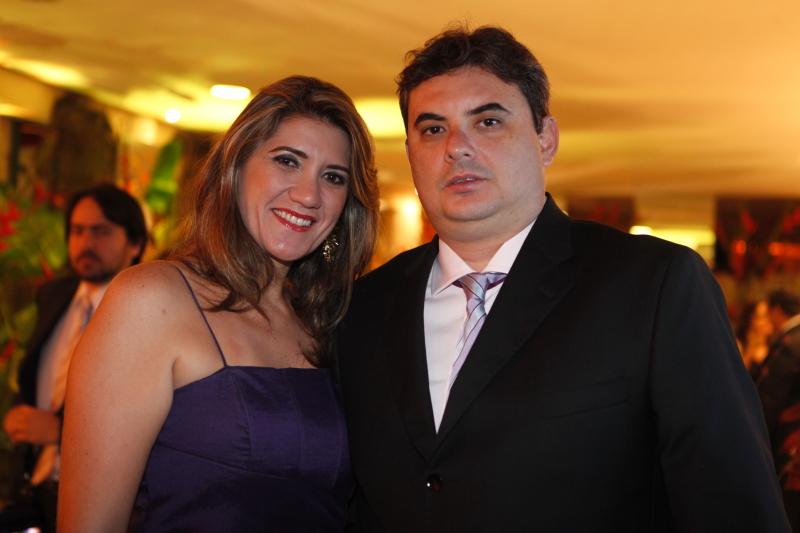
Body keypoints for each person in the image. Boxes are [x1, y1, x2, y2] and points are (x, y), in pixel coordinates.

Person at [338, 26, 789, 532]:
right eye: (433, 129)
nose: (457, 147)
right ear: (411, 153)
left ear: (545, 139)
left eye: (488, 121)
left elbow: (733, 506)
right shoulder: (362, 309)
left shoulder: (653, 286)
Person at [57, 76, 378, 532]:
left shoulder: (330, 321)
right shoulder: (152, 300)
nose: (309, 195)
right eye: (287, 161)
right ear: (236, 168)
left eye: (333, 177)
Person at [1, 183, 146, 533]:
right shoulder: (55, 295)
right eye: (78, 231)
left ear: (135, 244)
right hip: (37, 490)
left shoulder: (147, 314)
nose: (86, 243)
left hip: (105, 503)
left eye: (101, 231)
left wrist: (61, 431)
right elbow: (36, 373)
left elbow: (147, 417)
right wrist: (21, 415)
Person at [756, 289, 800, 530]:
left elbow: (771, 399)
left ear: (776, 311)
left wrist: (758, 439)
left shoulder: (791, 342)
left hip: (789, 444)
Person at [736, 299, 774, 376]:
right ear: (749, 320)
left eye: (769, 315)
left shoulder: (777, 342)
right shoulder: (739, 344)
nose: (768, 320)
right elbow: (736, 374)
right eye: (762, 317)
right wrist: (750, 353)